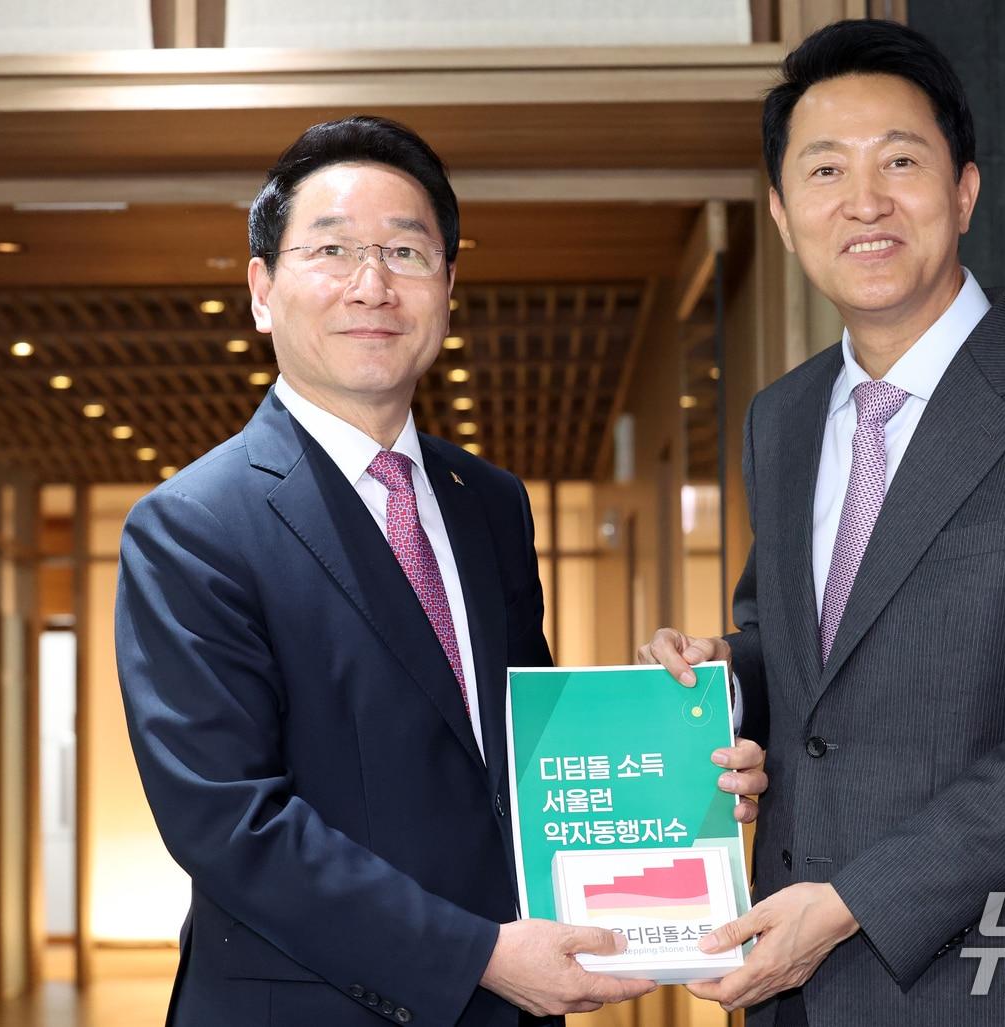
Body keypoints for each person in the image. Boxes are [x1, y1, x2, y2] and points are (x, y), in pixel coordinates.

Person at [115, 115, 764, 1026]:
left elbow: (523, 755)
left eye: (405, 252)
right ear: (262, 289)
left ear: (449, 288)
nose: (371, 284)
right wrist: (478, 957)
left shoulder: (489, 502)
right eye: (332, 249)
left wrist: (684, 763)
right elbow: (230, 824)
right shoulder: (192, 526)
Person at [642, 20, 1005, 1026]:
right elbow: (795, 647)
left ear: (963, 189)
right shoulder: (782, 417)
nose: (864, 202)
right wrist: (719, 680)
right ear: (782, 213)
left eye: (899, 161)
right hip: (799, 986)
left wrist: (850, 903)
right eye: (824, 171)